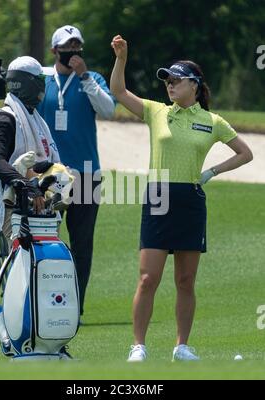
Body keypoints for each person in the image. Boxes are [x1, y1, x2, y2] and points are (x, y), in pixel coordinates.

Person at [110, 35, 253, 362]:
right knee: (148, 278)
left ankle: (181, 346)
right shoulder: (157, 112)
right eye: (168, 81)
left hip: (190, 198)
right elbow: (118, 91)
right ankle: (138, 346)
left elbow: (245, 154)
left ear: (195, 85)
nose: (170, 85)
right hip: (159, 193)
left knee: (186, 280)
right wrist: (121, 59)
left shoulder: (212, 121)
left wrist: (212, 172)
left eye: (176, 80)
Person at [38, 25, 116, 318]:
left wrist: (84, 76)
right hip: (51, 176)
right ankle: (46, 304)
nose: (73, 52)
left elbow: (108, 110)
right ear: (54, 51)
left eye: (77, 47)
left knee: (82, 245)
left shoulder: (92, 79)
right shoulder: (43, 79)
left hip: (86, 175)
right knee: (46, 240)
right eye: (67, 47)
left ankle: (76, 306)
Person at [0, 56, 60, 246]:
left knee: (41, 269)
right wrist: (27, 185)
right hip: (14, 210)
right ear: (28, 84)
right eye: (41, 81)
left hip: (37, 206)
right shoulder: (5, 119)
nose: (44, 86)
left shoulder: (33, 116)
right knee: (24, 269)